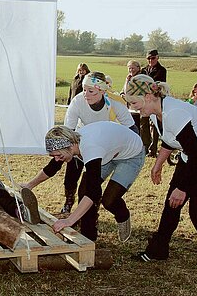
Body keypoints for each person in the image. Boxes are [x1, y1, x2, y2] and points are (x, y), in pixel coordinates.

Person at [124, 74, 197, 279]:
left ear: (148, 96)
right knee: (171, 203)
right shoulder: (158, 112)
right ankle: (159, 249)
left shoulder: (174, 112)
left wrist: (183, 188)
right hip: (193, 157)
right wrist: (157, 165)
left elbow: (196, 154)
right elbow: (170, 140)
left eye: (134, 102)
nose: (133, 108)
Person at [24, 122, 144, 242]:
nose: (57, 159)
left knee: (109, 200)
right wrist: (29, 185)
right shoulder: (69, 145)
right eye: (53, 156)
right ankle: (89, 238)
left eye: (58, 155)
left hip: (130, 155)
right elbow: (52, 167)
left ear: (70, 147)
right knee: (83, 192)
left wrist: (70, 220)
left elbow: (94, 192)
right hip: (108, 151)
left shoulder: (91, 149)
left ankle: (123, 216)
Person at [51, 71, 137, 214]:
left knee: (91, 182)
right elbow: (68, 131)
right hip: (78, 140)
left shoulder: (114, 103)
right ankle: (69, 200)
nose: (86, 94)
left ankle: (90, 210)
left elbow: (132, 128)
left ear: (102, 91)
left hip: (101, 146)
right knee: (71, 174)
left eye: (91, 91)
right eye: (84, 90)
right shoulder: (78, 101)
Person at [141, 49, 167, 157]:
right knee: (144, 124)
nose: (150, 60)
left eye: (153, 58)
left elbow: (157, 84)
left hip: (156, 100)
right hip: (144, 100)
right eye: (148, 58)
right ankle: (145, 147)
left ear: (157, 57)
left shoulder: (162, 70)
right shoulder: (144, 70)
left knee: (155, 124)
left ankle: (154, 147)